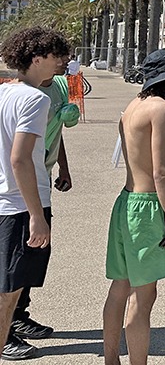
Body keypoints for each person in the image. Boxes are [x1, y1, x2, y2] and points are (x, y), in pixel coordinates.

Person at [102, 48, 165, 365]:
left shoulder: (133, 106)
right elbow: (161, 173)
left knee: (120, 288)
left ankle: (111, 359)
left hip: (126, 200)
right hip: (147, 206)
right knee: (144, 296)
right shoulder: (163, 109)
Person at [5, 47, 80, 359]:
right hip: (21, 200)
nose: (63, 61)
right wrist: (37, 214)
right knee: (9, 283)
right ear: (36, 58)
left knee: (16, 278)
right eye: (56, 56)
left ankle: (17, 321)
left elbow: (54, 134)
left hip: (22, 191)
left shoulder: (20, 91)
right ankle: (7, 335)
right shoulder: (34, 98)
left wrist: (63, 166)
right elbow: (19, 158)